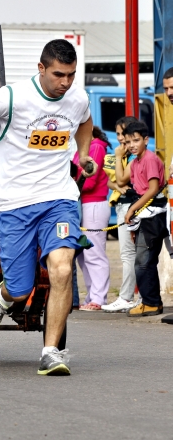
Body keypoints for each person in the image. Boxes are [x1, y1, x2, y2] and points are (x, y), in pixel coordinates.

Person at [0, 39, 94, 375]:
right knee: (21, 287)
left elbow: (85, 122)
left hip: (59, 198)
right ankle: (4, 297)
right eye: (59, 74)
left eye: (71, 75)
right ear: (41, 68)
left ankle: (50, 353)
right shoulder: (12, 96)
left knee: (61, 269)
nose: (65, 83)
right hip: (15, 202)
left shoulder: (77, 98)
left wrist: (84, 152)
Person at [120, 121, 169, 317]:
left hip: (153, 215)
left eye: (136, 140)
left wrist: (132, 209)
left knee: (143, 261)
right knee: (144, 261)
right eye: (128, 141)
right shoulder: (136, 161)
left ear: (146, 140)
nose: (132, 145)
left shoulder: (149, 159)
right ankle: (150, 301)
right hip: (144, 214)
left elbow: (153, 188)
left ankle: (151, 302)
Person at [102, 116, 140, 312]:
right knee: (131, 255)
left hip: (132, 207)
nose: (121, 139)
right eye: (117, 134)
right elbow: (106, 178)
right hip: (121, 205)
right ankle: (133, 297)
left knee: (131, 255)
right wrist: (116, 185)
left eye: (124, 133)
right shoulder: (116, 155)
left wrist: (119, 181)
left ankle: (126, 297)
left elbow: (125, 179)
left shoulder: (133, 156)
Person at [73, 126, 111, 310]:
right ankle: (92, 296)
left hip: (92, 204)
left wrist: (69, 184)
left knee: (94, 253)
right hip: (83, 205)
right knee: (83, 255)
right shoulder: (83, 148)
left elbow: (89, 180)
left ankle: (99, 297)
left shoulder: (95, 147)